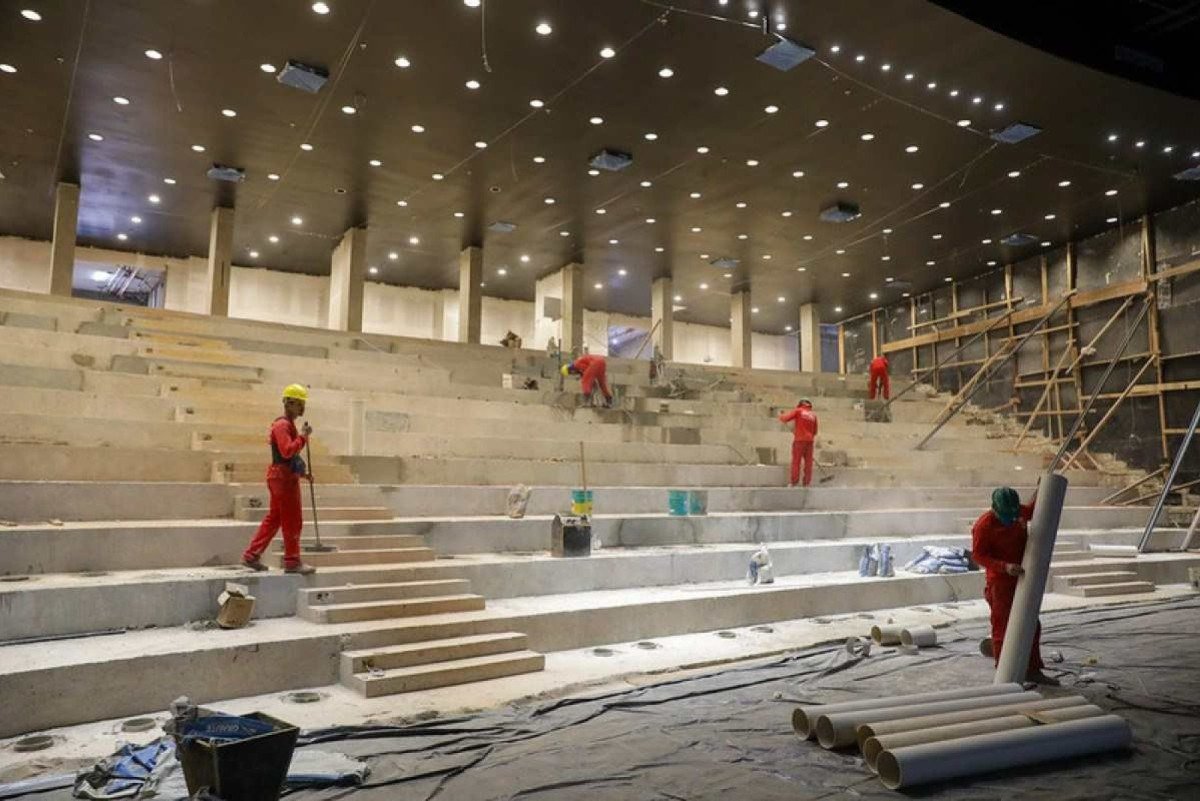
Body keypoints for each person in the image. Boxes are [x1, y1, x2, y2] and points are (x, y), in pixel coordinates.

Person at [971, 486, 1058, 684]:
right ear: (994, 508)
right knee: (1003, 628)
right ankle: (1005, 676)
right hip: (1000, 583)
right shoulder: (984, 526)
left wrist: (1044, 487)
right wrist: (1004, 567)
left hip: (1023, 578)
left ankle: (1033, 670)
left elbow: (1036, 508)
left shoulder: (1018, 512)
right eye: (1006, 516)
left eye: (1014, 515)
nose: (1011, 520)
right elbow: (978, 556)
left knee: (1031, 625)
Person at [241, 384, 317, 575]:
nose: (302, 408)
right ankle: (292, 561)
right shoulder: (282, 425)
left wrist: (303, 474)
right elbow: (287, 451)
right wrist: (303, 437)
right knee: (292, 520)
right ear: (289, 403)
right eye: (299, 404)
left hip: (284, 476)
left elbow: (289, 458)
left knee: (275, 519)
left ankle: (251, 555)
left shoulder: (287, 425)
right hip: (283, 479)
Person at [778, 398, 818, 488]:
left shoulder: (798, 411)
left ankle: (794, 482)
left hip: (799, 440)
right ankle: (807, 483)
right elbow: (815, 431)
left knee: (796, 461)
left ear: (800, 404)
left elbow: (785, 418)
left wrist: (780, 416)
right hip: (810, 441)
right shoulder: (813, 415)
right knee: (808, 463)